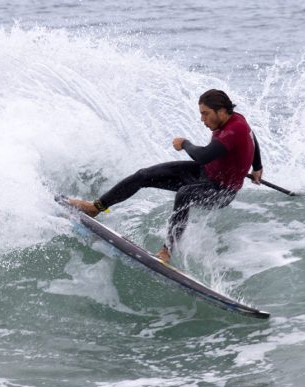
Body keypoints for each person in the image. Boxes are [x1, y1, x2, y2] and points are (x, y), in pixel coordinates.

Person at [68, 89, 263, 263]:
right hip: (204, 173)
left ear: (221, 111)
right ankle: (96, 207)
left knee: (185, 194)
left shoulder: (235, 129)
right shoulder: (236, 119)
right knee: (144, 175)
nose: (202, 119)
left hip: (221, 191)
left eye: (205, 114)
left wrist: (185, 143)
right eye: (201, 114)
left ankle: (167, 252)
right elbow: (252, 137)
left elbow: (203, 156)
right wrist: (257, 167)